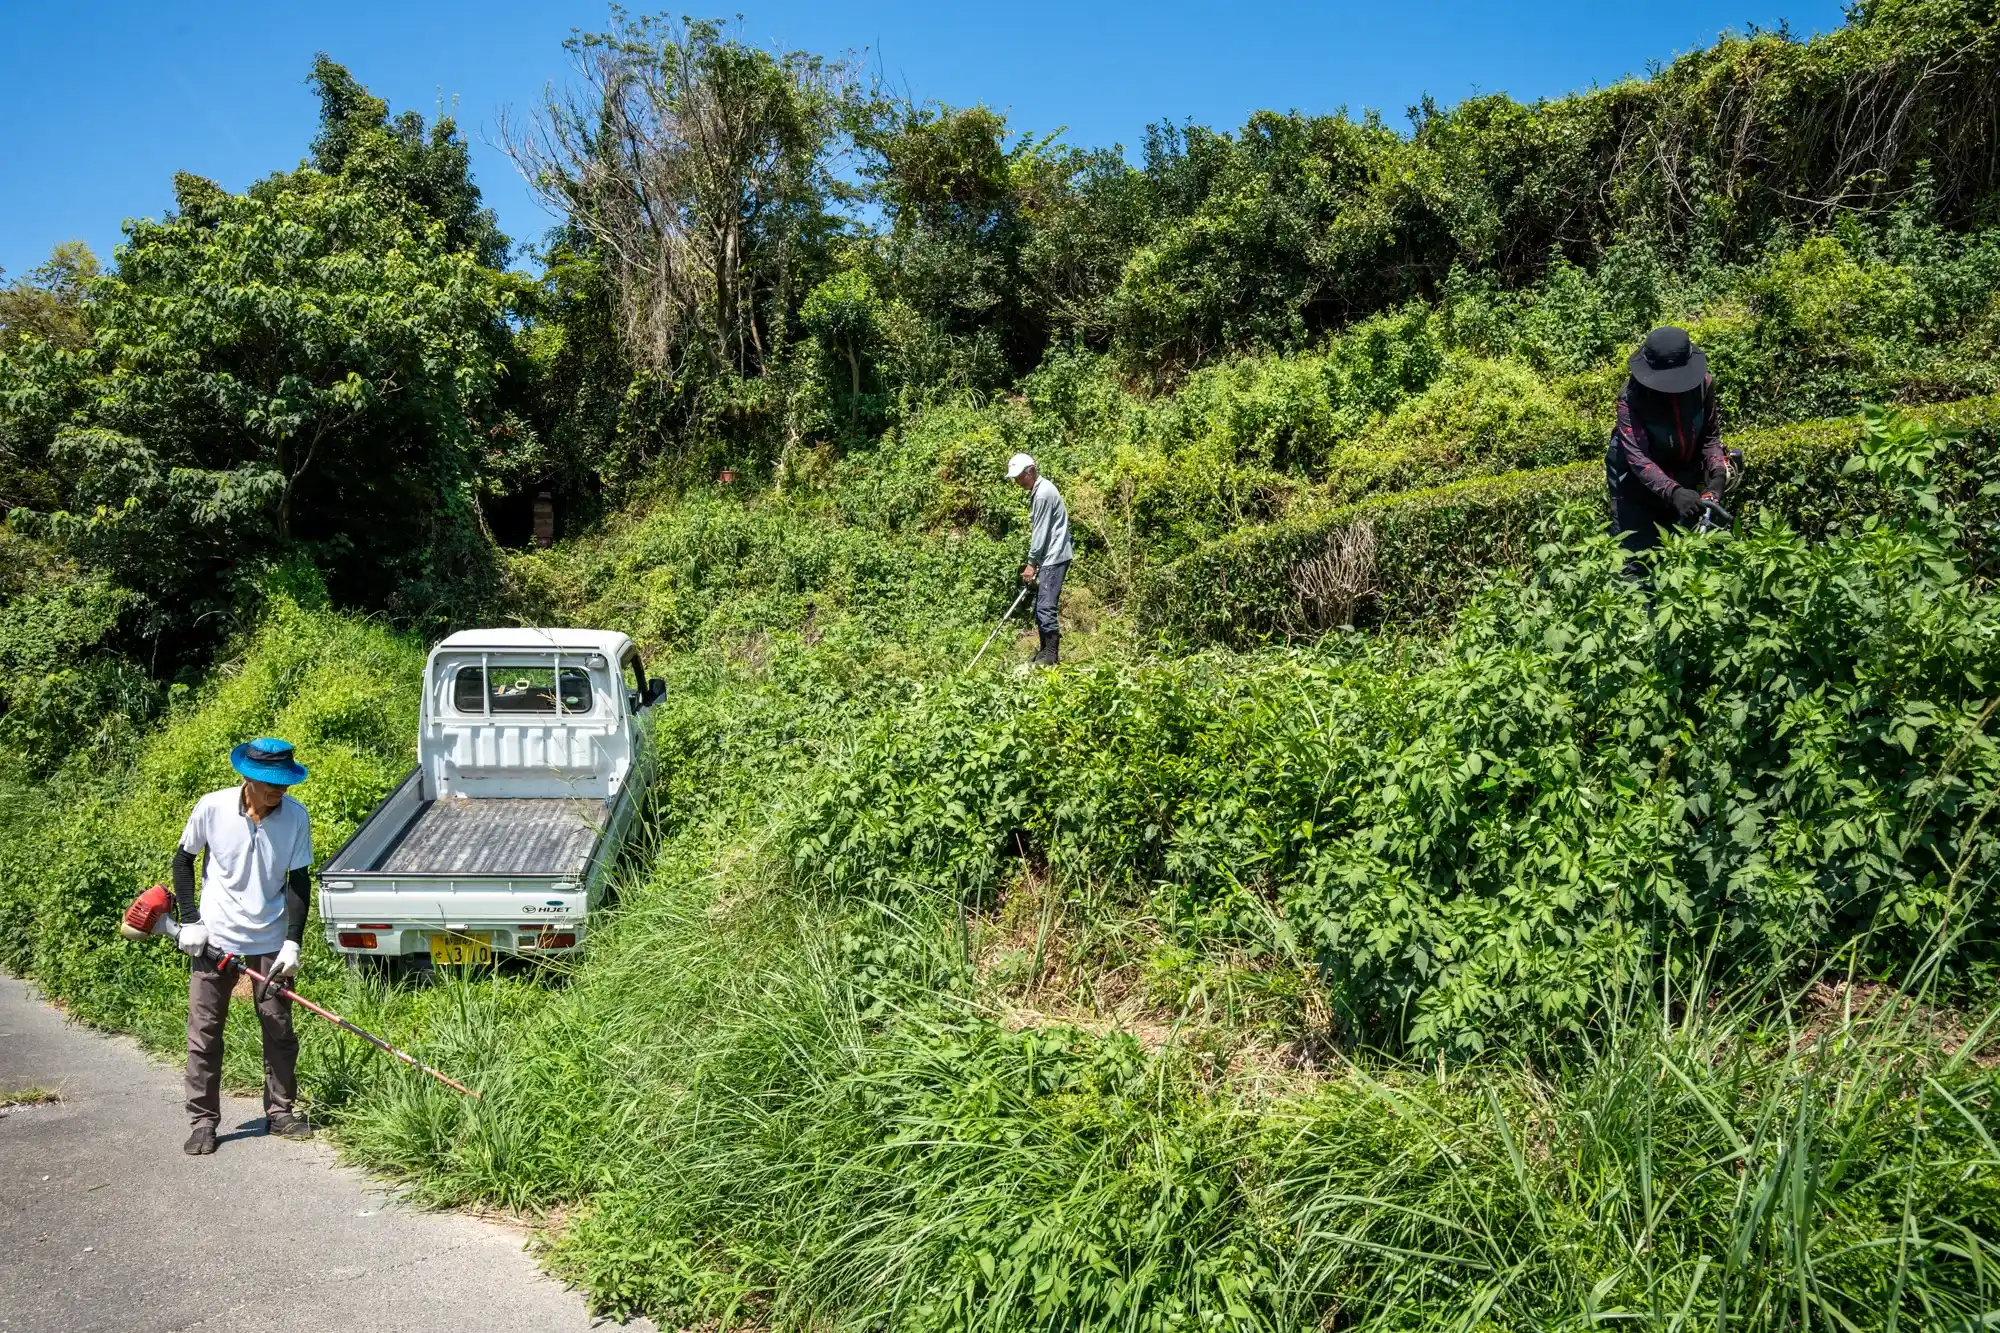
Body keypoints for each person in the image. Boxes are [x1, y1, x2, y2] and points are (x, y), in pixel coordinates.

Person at [172, 737, 315, 1156]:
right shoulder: (212, 807)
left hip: (270, 937)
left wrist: (292, 941)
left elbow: (299, 881)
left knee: (278, 1026)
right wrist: (190, 921)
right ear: (248, 778)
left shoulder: (295, 817)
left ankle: (281, 1111)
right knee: (205, 1031)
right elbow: (183, 861)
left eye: (285, 784)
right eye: (272, 783)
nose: (279, 791)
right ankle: (203, 1121)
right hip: (214, 939)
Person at [1607, 325, 1729, 560]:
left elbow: (1710, 437)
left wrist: (1718, 476)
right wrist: (1673, 492)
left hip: (1681, 468)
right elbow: (1639, 459)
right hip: (1634, 482)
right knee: (1635, 558)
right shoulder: (1631, 399)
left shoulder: (1703, 385)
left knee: (1685, 551)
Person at [1007, 452, 1073, 666]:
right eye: (1015, 478)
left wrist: (1031, 563)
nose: (1017, 481)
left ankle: (1051, 655)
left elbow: (1041, 531)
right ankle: (1045, 650)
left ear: (1032, 471)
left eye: (1020, 476)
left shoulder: (1043, 493)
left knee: (1046, 606)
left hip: (1054, 556)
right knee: (1040, 606)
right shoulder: (1039, 491)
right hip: (1050, 556)